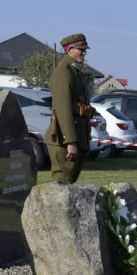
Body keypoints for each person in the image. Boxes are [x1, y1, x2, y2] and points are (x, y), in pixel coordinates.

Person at [46, 33, 95, 183]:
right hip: (64, 141)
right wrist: (70, 142)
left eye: (85, 49)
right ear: (70, 50)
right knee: (61, 187)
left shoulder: (74, 71)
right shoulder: (64, 73)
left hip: (76, 138)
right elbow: (63, 109)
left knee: (68, 185)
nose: (84, 52)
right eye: (81, 49)